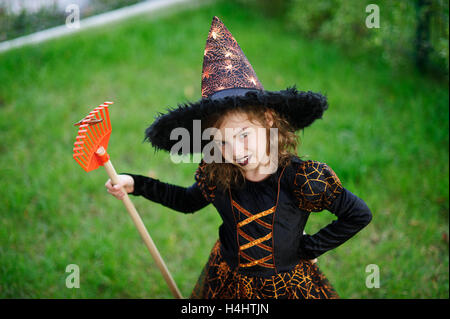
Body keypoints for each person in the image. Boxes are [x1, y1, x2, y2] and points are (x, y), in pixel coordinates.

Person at [105, 16, 372, 299]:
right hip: (229, 281)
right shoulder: (219, 173)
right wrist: (135, 184)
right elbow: (186, 201)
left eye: (244, 135)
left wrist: (309, 248)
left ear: (268, 121)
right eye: (222, 142)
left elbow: (357, 214)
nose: (235, 151)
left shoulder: (302, 178)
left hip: (285, 285)